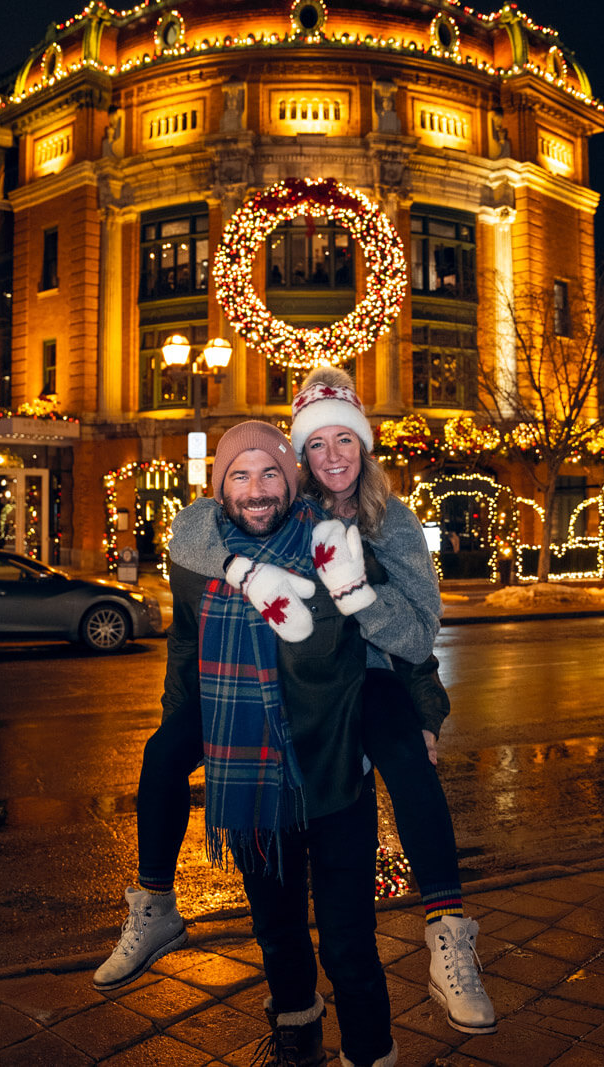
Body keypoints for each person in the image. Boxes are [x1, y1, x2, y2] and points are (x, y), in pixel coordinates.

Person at [160, 368, 496, 1035]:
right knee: (272, 899)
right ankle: (283, 999)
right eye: (318, 443)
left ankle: (448, 928)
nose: (334, 455)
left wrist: (359, 602)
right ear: (301, 455)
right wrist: (240, 569)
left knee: (405, 757)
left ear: (365, 447)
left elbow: (420, 634)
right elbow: (196, 529)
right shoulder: (282, 502)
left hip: (367, 687)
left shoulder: (391, 522)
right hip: (275, 702)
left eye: (346, 439)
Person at [99, 422, 397, 1067]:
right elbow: (184, 651)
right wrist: (180, 730)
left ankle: (370, 1055)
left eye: (270, 474)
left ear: (292, 483)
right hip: (252, 783)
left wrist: (422, 717)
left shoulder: (334, 546)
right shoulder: (199, 560)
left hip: (333, 774)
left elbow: (392, 646)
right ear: (221, 488)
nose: (256, 490)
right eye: (240, 475)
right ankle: (297, 1040)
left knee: (349, 944)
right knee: (278, 933)